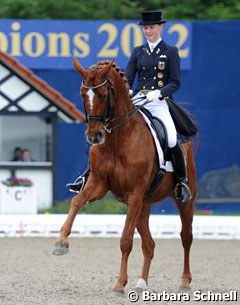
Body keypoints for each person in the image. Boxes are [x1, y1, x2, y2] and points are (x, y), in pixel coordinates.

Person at [67, 10, 191, 204]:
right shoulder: (138, 51)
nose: (148, 31)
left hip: (159, 102)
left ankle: (181, 183)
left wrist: (158, 93)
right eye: (145, 28)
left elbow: (175, 82)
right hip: (139, 100)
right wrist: (130, 92)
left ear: (160, 27)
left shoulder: (170, 51)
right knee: (108, 131)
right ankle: (87, 175)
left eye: (151, 27)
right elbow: (129, 79)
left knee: (172, 138)